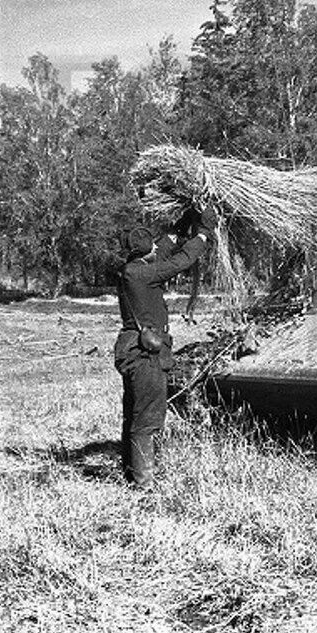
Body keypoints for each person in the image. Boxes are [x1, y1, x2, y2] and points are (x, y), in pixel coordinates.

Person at [115, 207, 216, 489]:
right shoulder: (143, 275)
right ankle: (144, 484)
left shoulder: (131, 269)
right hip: (144, 354)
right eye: (152, 247)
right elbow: (182, 260)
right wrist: (205, 235)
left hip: (132, 349)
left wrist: (182, 224)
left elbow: (163, 249)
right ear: (145, 252)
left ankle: (130, 473)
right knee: (147, 418)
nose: (156, 249)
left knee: (134, 413)